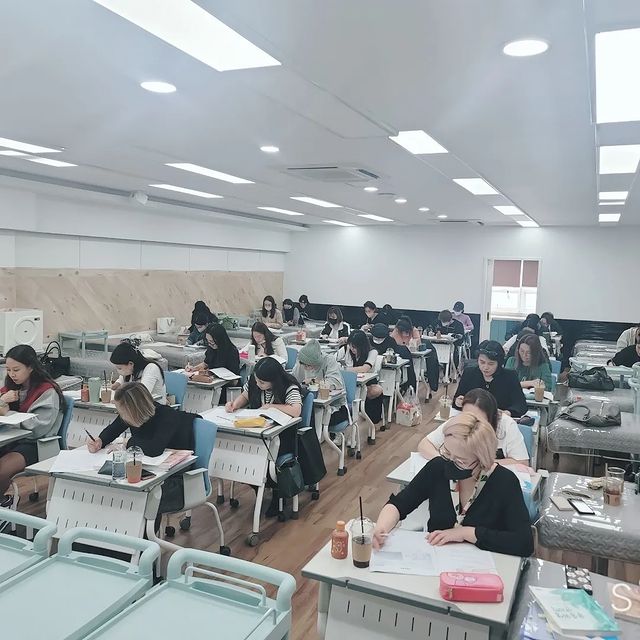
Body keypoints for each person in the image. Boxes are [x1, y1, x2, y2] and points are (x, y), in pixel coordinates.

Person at [372, 413, 533, 557]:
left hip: (483, 566)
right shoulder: (438, 467)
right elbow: (399, 504)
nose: (451, 463)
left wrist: (467, 533)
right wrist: (382, 528)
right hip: (436, 559)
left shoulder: (504, 482)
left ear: (482, 460)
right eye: (447, 453)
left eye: (461, 461)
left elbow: (524, 542)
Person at [87, 382, 195, 516]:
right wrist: (99, 441)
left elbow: (154, 449)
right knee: (114, 494)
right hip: (149, 474)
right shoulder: (131, 415)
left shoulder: (168, 416)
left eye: (122, 412)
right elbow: (113, 429)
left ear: (135, 409)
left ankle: (143, 530)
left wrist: (127, 442)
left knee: (130, 500)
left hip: (175, 479)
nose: (120, 415)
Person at [225, 357, 302, 516]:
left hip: (281, 437)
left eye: (262, 382)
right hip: (256, 433)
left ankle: (277, 494)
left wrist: (271, 407)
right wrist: (235, 404)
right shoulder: (255, 381)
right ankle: (258, 487)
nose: (258, 384)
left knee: (267, 460)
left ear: (274, 380)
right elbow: (245, 396)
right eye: (257, 380)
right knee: (243, 456)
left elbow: (296, 410)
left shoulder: (289, 386)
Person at [0, 345, 65, 504]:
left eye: (16, 370)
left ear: (30, 367)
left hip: (38, 444)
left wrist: (8, 413)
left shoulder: (47, 391)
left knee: (2, 469)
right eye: (8, 370)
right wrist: (2, 401)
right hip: (12, 440)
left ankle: (4, 504)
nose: (12, 374)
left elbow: (38, 428)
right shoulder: (10, 388)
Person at [418, 389, 529, 465]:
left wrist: (478, 464)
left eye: (478, 420)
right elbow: (425, 444)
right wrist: (442, 460)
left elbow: (522, 462)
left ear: (491, 417)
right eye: (466, 416)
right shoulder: (458, 422)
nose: (470, 422)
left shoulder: (506, 425)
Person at [454, 341, 527, 417]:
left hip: (499, 420)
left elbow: (521, 405)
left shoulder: (510, 376)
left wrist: (507, 413)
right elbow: (457, 398)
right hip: (472, 418)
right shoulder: (469, 373)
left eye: (491, 364)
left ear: (499, 363)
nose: (485, 367)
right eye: (482, 362)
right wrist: (458, 402)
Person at [293, 340, 348, 427]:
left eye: (309, 365)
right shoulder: (302, 362)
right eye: (305, 365)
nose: (306, 368)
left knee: (313, 419)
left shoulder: (328, 360)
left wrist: (313, 381)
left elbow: (336, 383)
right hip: (312, 404)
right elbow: (293, 379)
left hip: (333, 406)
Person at [186, 323, 240, 404]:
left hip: (226, 389)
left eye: (212, 342)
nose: (210, 344)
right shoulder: (211, 348)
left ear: (219, 340)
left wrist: (218, 378)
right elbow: (205, 364)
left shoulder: (231, 352)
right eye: (208, 342)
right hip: (212, 384)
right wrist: (193, 368)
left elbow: (235, 380)